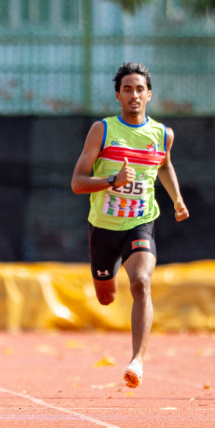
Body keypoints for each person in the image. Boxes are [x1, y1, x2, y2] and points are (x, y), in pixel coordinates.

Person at [70, 62, 189, 389]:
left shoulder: (163, 134)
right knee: (106, 297)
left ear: (149, 94)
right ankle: (109, 277)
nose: (134, 95)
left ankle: (137, 360)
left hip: (141, 222)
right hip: (104, 227)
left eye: (140, 89)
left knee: (140, 282)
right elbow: (77, 183)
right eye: (127, 89)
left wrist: (177, 199)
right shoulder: (103, 130)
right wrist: (111, 180)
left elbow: (165, 165)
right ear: (118, 96)